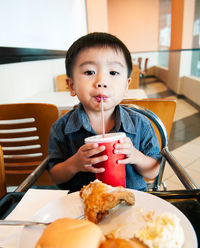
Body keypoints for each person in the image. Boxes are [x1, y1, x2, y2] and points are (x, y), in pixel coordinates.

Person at [47, 32, 161, 192]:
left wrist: (136, 156)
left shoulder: (140, 124)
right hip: (83, 204)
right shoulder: (61, 128)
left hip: (132, 202)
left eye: (113, 73)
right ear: (71, 85)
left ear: (127, 85)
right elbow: (55, 176)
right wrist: (75, 164)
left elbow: (153, 171)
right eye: (89, 72)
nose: (101, 82)